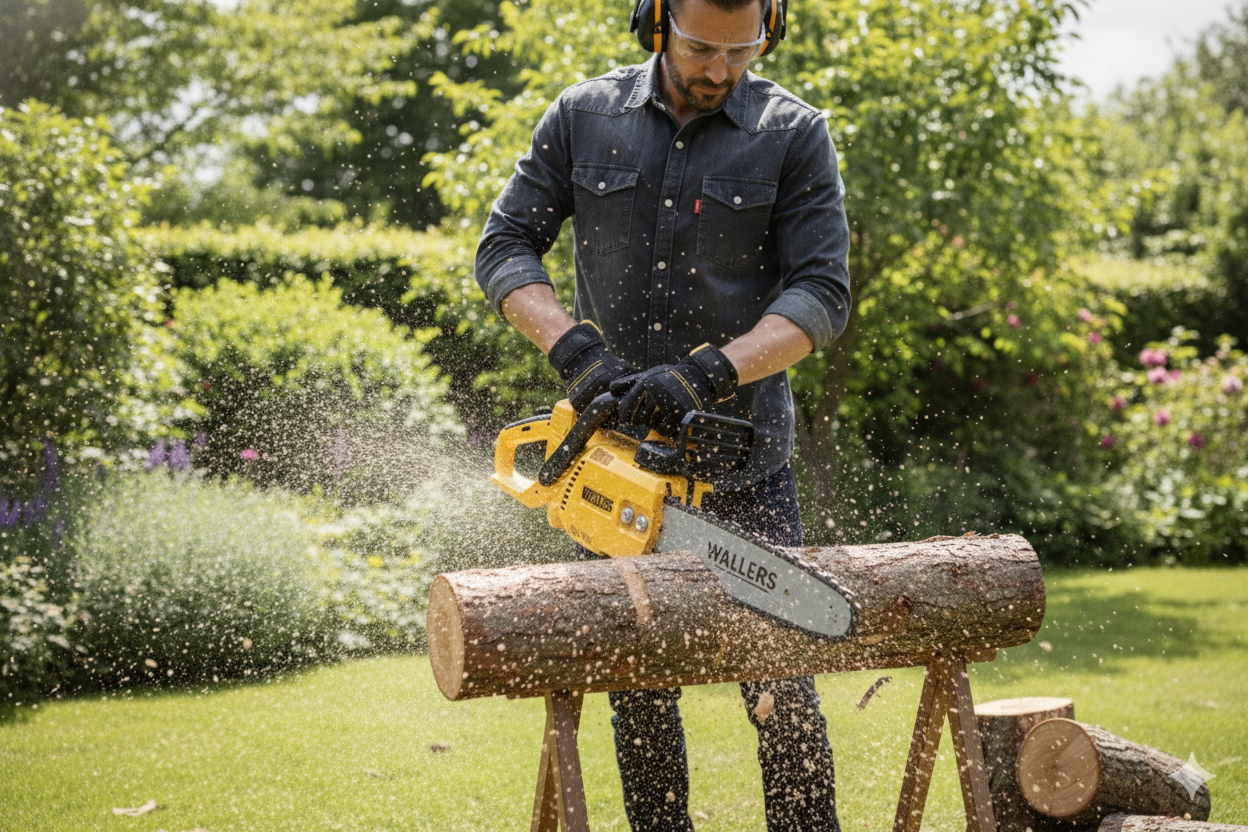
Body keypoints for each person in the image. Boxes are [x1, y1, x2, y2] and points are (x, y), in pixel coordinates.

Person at [475, 0, 851, 827]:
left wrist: (712, 373)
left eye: (740, 51)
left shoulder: (793, 133)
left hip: (741, 465)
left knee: (784, 696)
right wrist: (577, 353)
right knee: (639, 699)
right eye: (700, 49)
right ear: (655, 20)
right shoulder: (584, 116)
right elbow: (504, 246)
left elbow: (822, 293)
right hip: (614, 461)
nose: (719, 70)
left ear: (770, 31)